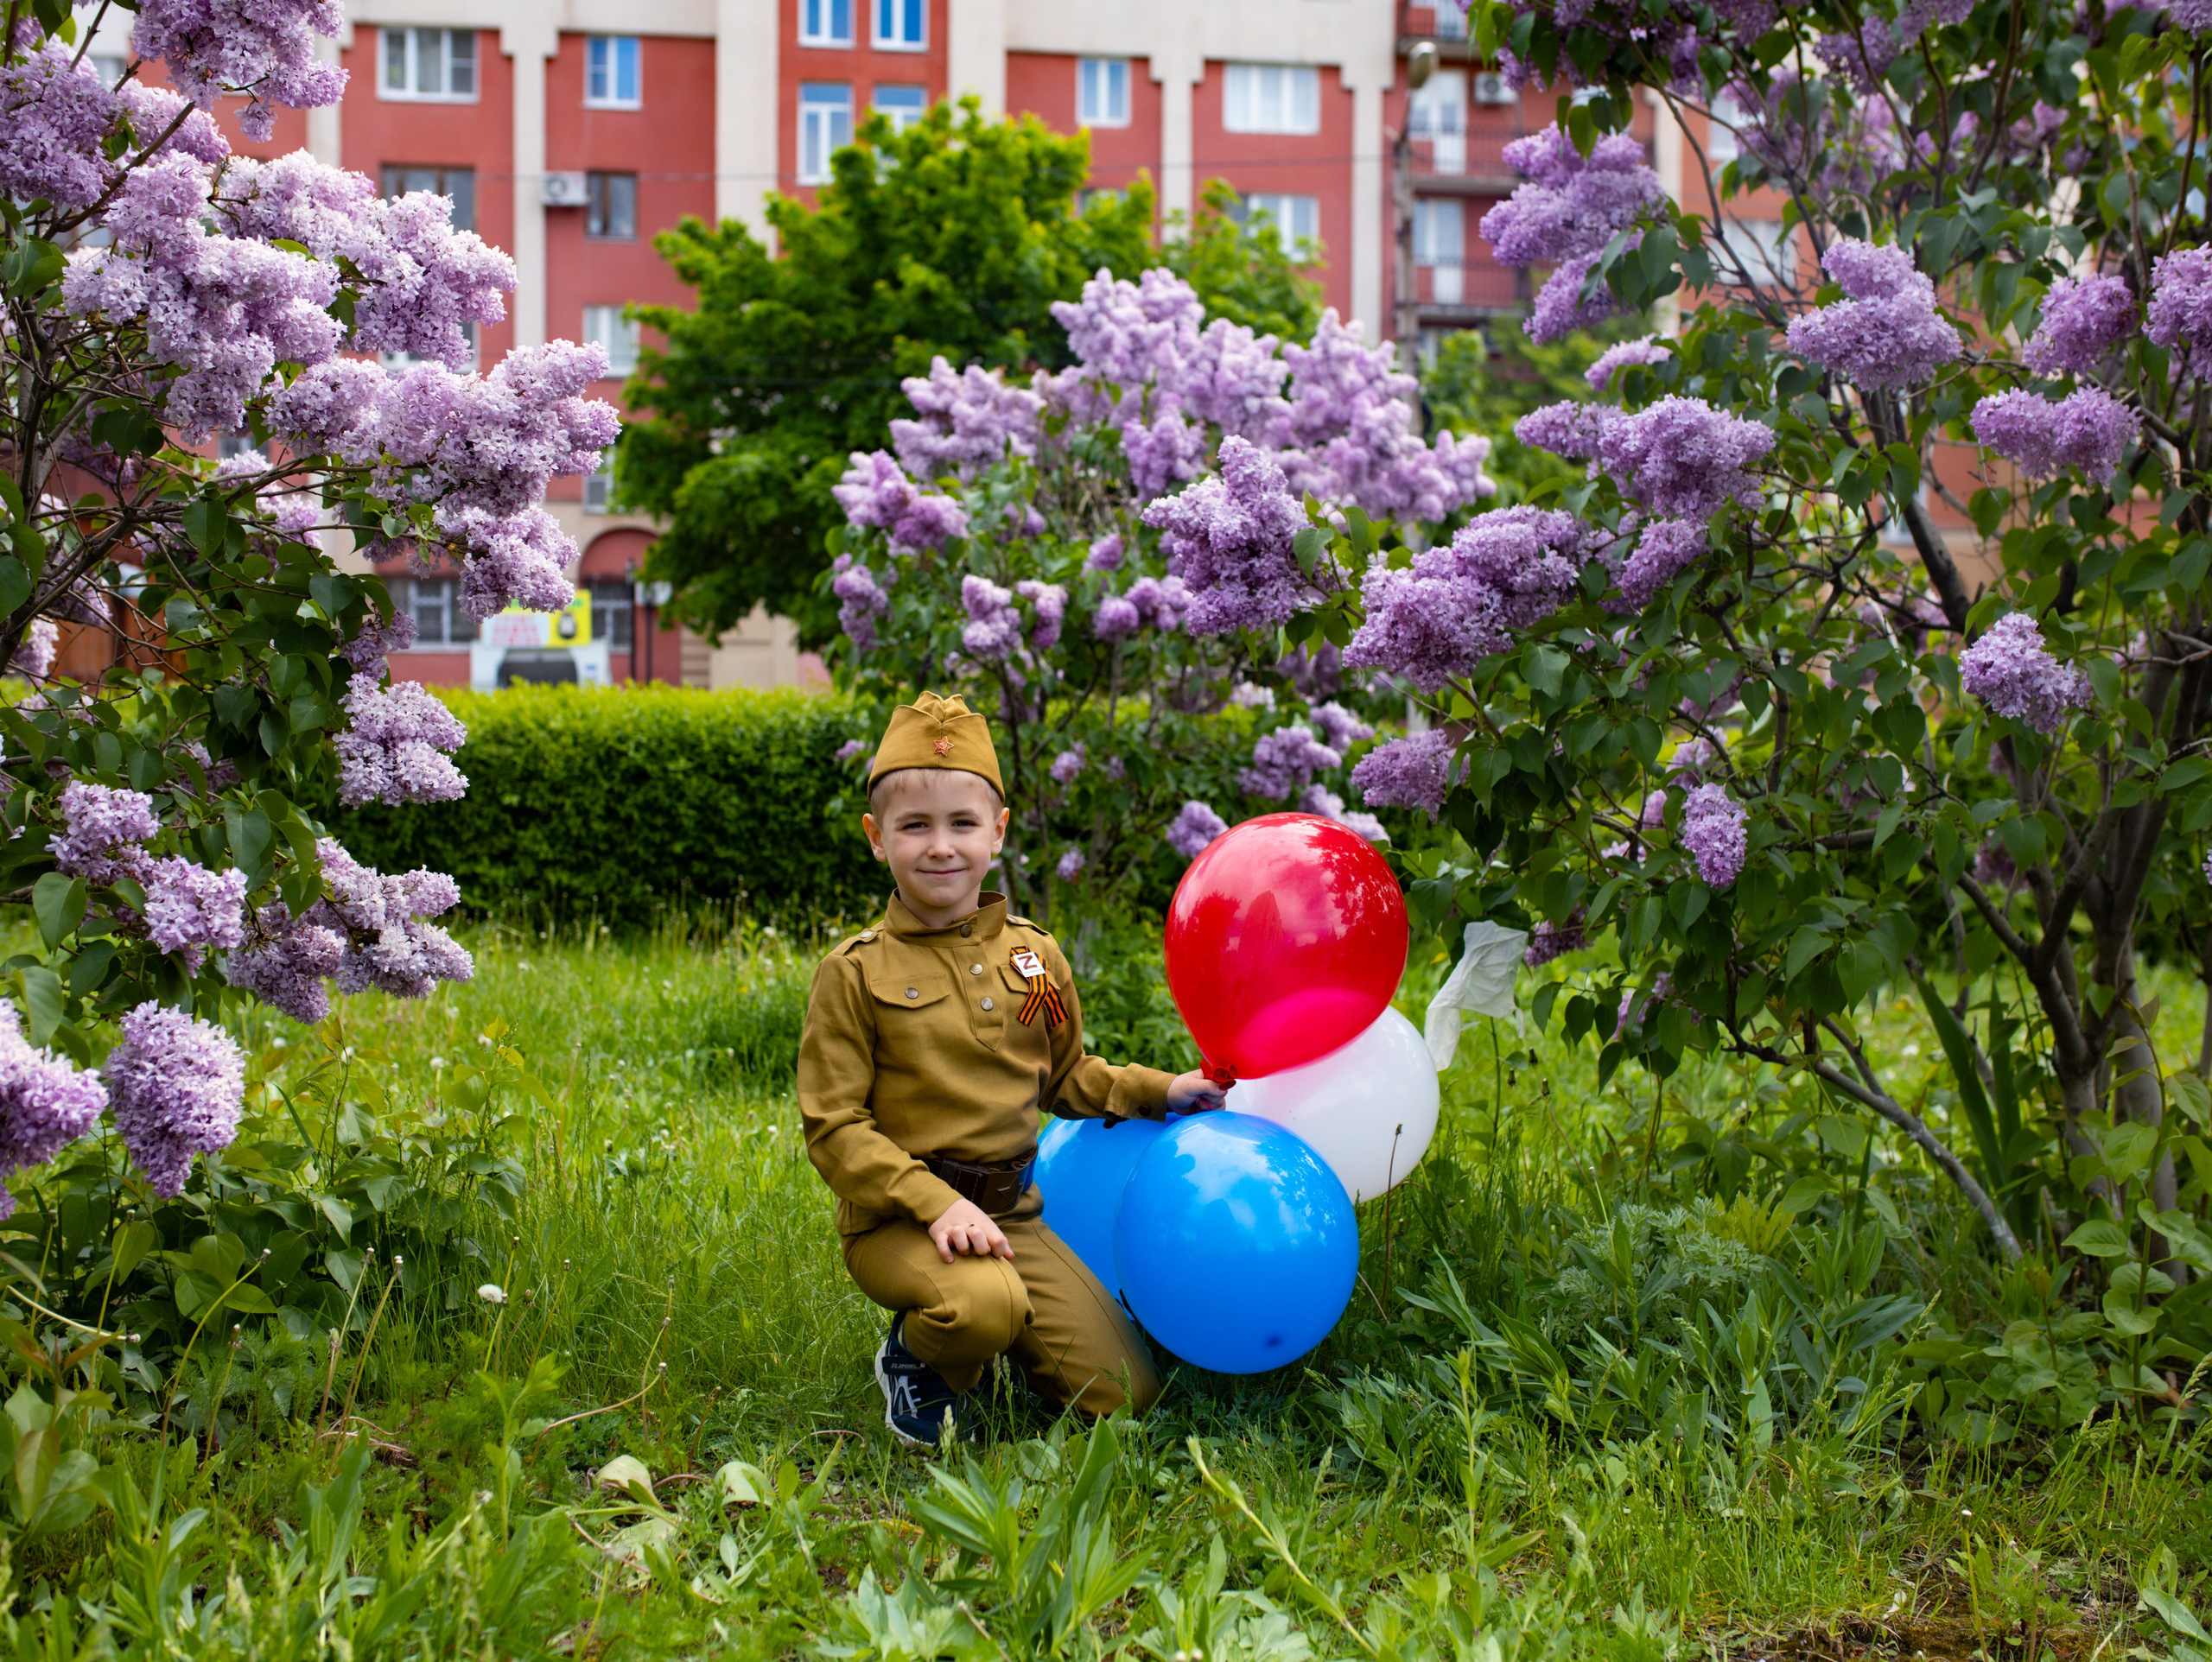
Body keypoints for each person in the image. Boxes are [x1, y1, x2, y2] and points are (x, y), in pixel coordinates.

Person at [798, 691, 1225, 1448]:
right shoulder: (854, 972)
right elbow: (834, 1130)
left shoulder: (1034, 956)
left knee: (1124, 1399)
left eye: (963, 823)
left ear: (996, 832)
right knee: (981, 1308)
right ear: (876, 837)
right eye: (915, 826)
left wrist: (1162, 1090)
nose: (941, 846)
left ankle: (994, 1341)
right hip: (901, 1221)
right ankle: (921, 1359)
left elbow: (1068, 1078)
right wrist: (935, 1205)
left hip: (1012, 1217)